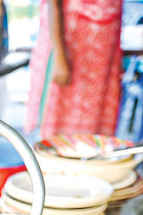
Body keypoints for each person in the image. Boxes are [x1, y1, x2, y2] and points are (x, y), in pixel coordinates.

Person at [22, 0, 124, 139]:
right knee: (55, 129)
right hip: (70, 50)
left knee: (95, 134)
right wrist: (59, 56)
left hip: (102, 62)